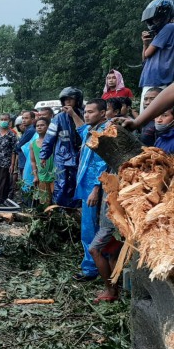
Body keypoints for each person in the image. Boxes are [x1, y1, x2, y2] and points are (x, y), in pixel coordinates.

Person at [72, 99, 109, 282]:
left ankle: (91, 269)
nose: (87, 115)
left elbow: (104, 164)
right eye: (85, 111)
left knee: (92, 229)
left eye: (91, 112)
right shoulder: (90, 130)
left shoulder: (106, 132)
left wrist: (95, 189)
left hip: (97, 189)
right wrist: (72, 113)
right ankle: (95, 265)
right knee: (89, 227)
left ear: (103, 113)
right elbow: (80, 128)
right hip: (86, 186)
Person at [40, 87, 85, 207]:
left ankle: (74, 210)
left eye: (71, 99)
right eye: (65, 100)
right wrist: (44, 155)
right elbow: (49, 138)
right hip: (62, 157)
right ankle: (59, 210)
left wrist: (73, 114)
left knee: (76, 184)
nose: (68, 102)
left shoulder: (84, 115)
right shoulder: (58, 118)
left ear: (78, 100)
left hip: (79, 157)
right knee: (61, 185)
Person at [139, 0, 174, 111]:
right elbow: (144, 60)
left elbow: (148, 53)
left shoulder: (169, 28)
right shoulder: (163, 32)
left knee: (151, 119)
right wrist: (145, 44)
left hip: (157, 80)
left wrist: (147, 46)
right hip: (153, 80)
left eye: (156, 18)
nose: (154, 21)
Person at [29, 117, 54, 204]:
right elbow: (33, 161)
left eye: (42, 125)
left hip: (55, 176)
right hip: (42, 176)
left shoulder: (53, 142)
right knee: (44, 202)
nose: (39, 127)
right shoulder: (33, 144)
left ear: (48, 127)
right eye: (37, 126)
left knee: (56, 201)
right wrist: (35, 176)